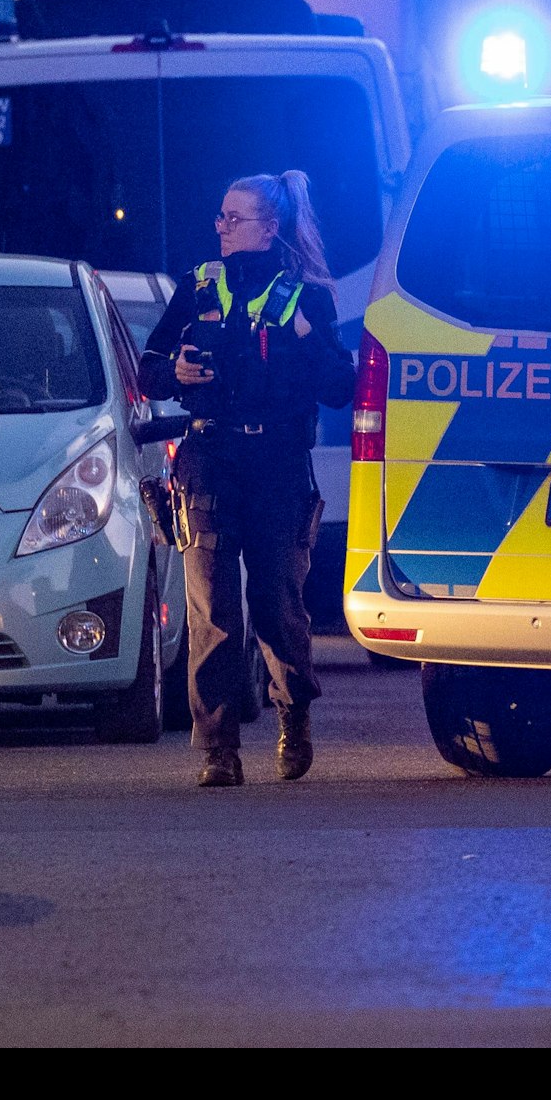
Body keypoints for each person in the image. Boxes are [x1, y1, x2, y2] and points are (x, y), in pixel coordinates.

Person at [138, 171, 356, 787]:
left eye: (235, 218)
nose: (222, 228)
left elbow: (340, 388)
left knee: (276, 603)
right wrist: (177, 371)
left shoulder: (306, 296)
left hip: (279, 464)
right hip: (209, 457)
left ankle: (294, 715)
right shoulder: (198, 286)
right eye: (220, 217)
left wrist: (310, 342)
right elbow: (150, 369)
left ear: (270, 227)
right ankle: (217, 748)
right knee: (211, 606)